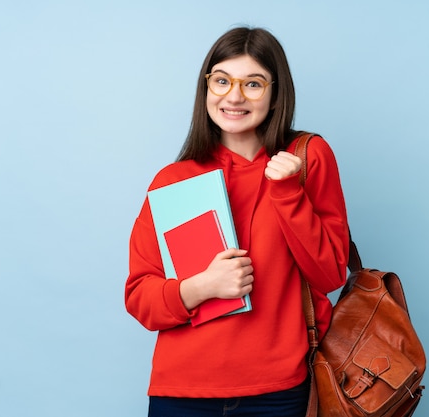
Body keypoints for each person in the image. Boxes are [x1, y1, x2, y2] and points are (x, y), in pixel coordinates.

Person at [125, 26, 350, 417]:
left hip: (278, 393)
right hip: (182, 392)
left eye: (253, 84)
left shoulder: (308, 157)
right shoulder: (174, 179)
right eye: (223, 80)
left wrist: (288, 192)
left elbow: (330, 274)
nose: (234, 96)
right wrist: (201, 287)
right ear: (206, 87)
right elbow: (140, 297)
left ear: (276, 93)